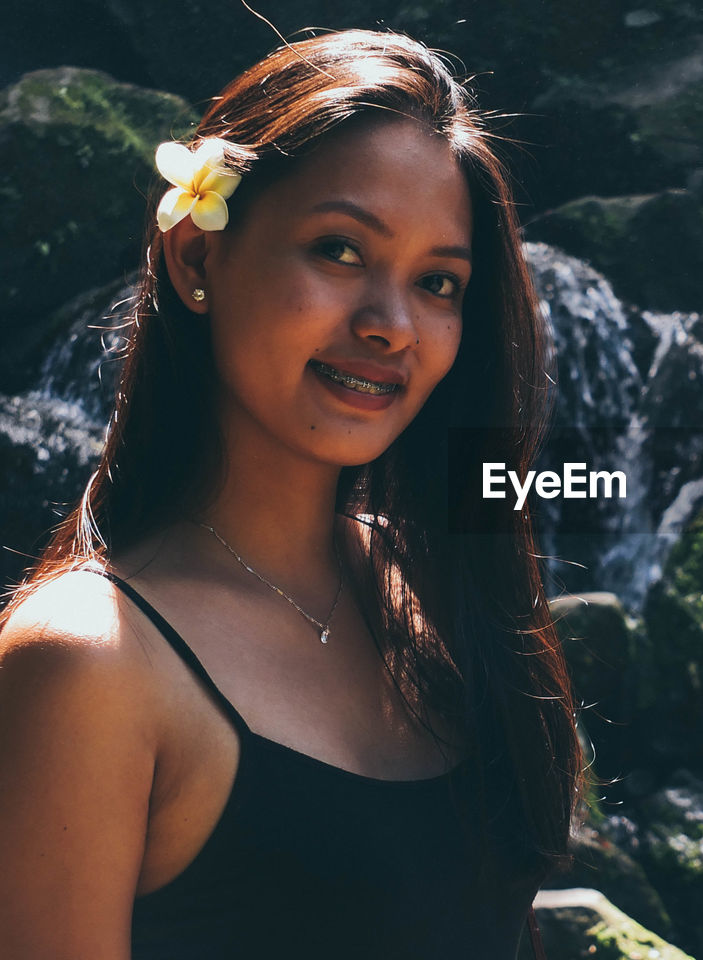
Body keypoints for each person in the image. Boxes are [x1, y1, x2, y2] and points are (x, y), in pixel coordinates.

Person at [0, 29, 581, 959]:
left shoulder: (440, 586)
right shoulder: (89, 666)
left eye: (438, 282)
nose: (390, 326)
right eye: (340, 251)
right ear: (197, 258)